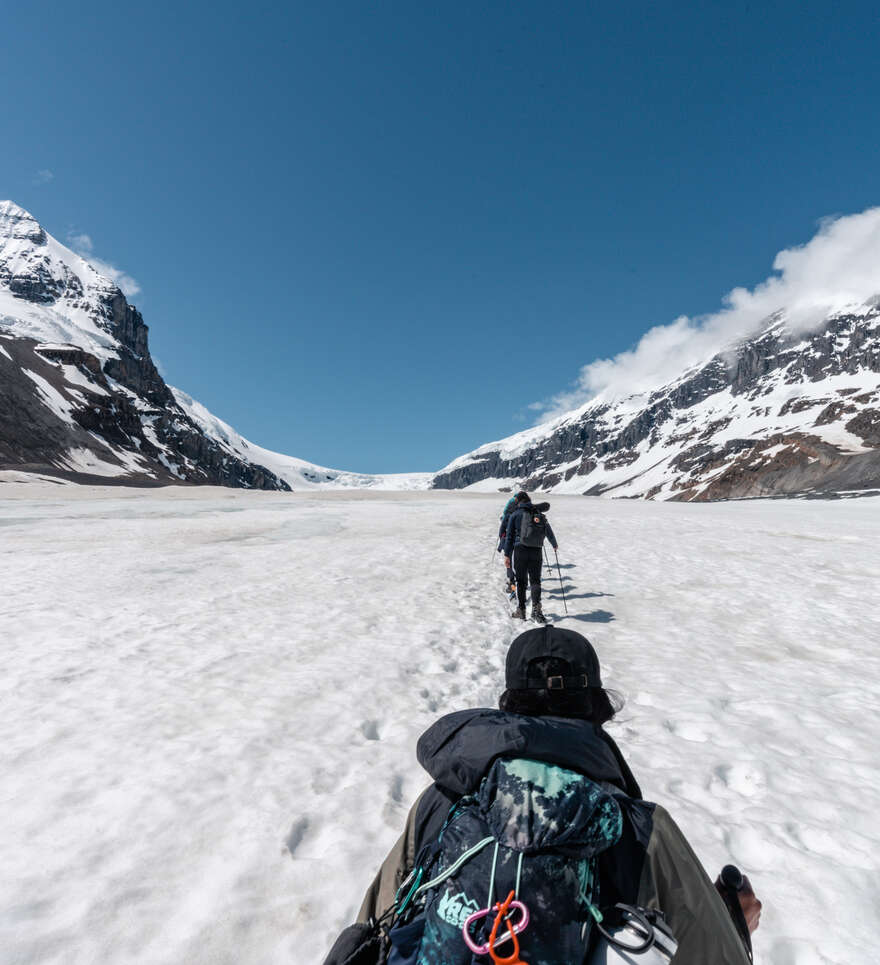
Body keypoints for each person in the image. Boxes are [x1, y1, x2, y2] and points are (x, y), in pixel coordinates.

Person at [324, 628, 760, 965]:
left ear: (509, 704)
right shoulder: (640, 828)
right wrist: (736, 920)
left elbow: (376, 923)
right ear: (595, 708)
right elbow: (717, 955)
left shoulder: (440, 802)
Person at [503, 493, 557, 622]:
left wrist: (507, 555)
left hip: (520, 550)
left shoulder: (515, 514)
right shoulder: (537, 513)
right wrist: (554, 544)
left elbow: (509, 537)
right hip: (536, 550)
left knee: (521, 582)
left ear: (519, 501)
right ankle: (537, 611)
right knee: (535, 581)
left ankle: (521, 610)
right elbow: (547, 529)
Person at [498, 491, 529, 596]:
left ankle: (512, 583)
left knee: (509, 563)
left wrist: (501, 537)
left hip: (509, 541)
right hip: (522, 542)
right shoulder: (524, 513)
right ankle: (523, 581)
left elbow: (502, 529)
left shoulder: (508, 514)